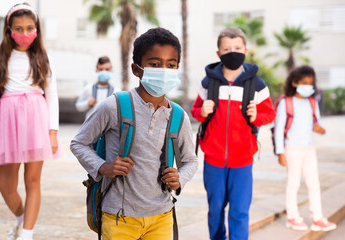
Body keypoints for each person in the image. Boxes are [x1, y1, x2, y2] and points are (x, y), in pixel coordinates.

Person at [70, 27, 198, 240]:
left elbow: (191, 161)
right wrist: (103, 167)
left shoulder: (178, 116)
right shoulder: (114, 106)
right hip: (118, 216)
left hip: (162, 215)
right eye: (155, 64)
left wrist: (180, 178)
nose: (164, 70)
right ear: (136, 69)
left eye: (171, 65)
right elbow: (78, 143)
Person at [190, 27, 276, 240]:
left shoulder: (257, 84)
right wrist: (201, 112)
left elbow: (270, 114)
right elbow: (195, 111)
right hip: (214, 160)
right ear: (218, 53)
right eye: (227, 49)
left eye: (237, 48)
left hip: (243, 160)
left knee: (239, 211)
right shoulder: (208, 82)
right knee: (215, 210)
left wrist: (256, 116)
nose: (232, 52)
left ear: (245, 50)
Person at [0, 3, 59, 240]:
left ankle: (27, 233)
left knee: (32, 180)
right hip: (7, 118)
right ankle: (20, 217)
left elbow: (52, 93)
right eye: (19, 28)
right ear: (9, 29)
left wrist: (53, 131)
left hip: (36, 117)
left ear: (36, 29)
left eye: (30, 28)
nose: (25, 34)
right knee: (6, 186)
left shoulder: (42, 56)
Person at [274, 66, 337, 232]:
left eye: (311, 83)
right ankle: (292, 217)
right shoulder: (286, 102)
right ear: (294, 83)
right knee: (293, 182)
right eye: (304, 83)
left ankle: (317, 218)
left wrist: (320, 130)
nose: (308, 86)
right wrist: (280, 153)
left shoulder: (313, 102)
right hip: (292, 148)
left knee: (314, 183)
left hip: (309, 149)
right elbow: (279, 128)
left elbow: (318, 125)